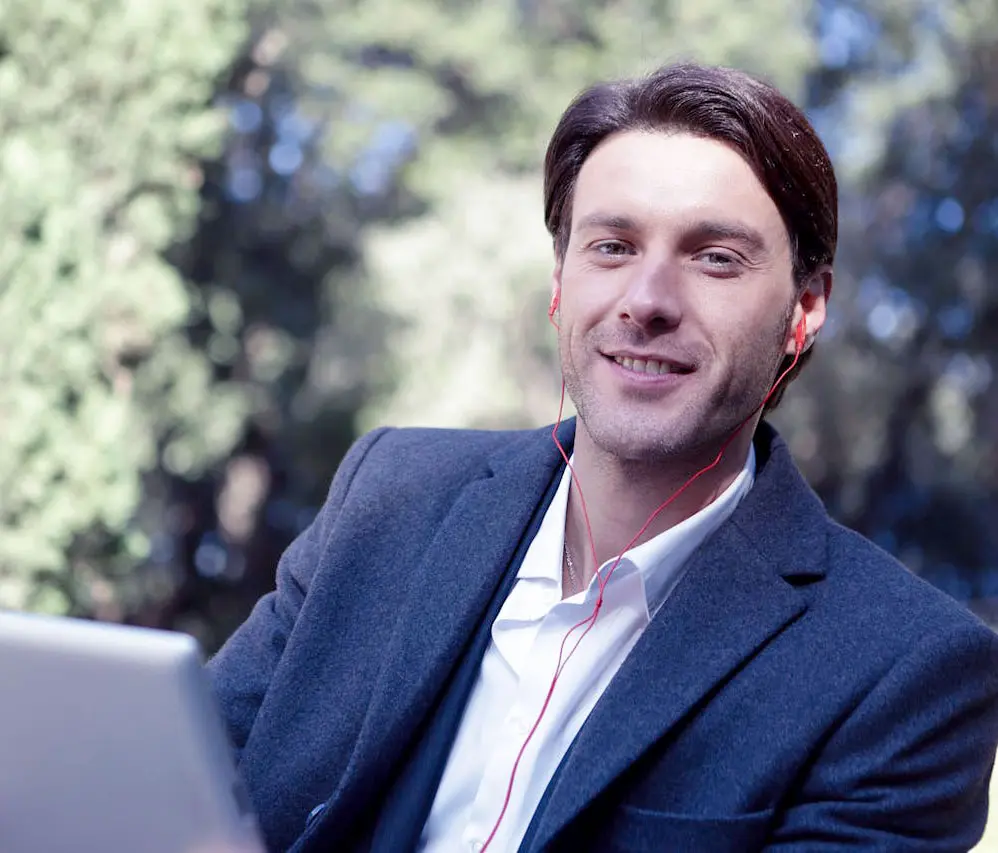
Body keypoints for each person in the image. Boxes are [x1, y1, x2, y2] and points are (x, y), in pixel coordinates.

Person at [207, 62, 998, 853]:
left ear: (805, 310)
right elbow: (178, 785)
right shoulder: (385, 496)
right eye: (613, 246)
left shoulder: (906, 676)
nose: (647, 299)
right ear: (559, 283)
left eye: (715, 257)